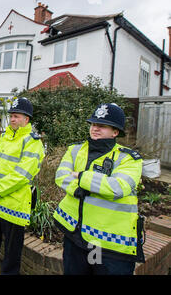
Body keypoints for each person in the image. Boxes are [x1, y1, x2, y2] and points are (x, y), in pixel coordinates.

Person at [53, 103, 144, 275]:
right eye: (93, 124)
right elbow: (61, 175)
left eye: (101, 126)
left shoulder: (129, 159)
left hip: (108, 244)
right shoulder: (75, 150)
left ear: (115, 132)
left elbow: (118, 187)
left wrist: (81, 177)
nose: (95, 128)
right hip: (75, 236)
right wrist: (76, 188)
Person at [0, 97, 45, 275]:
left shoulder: (33, 142)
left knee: (12, 251)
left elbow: (22, 174)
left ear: (26, 119)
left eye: (17, 116)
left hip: (13, 204)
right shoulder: (5, 137)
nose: (12, 119)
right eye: (11, 115)